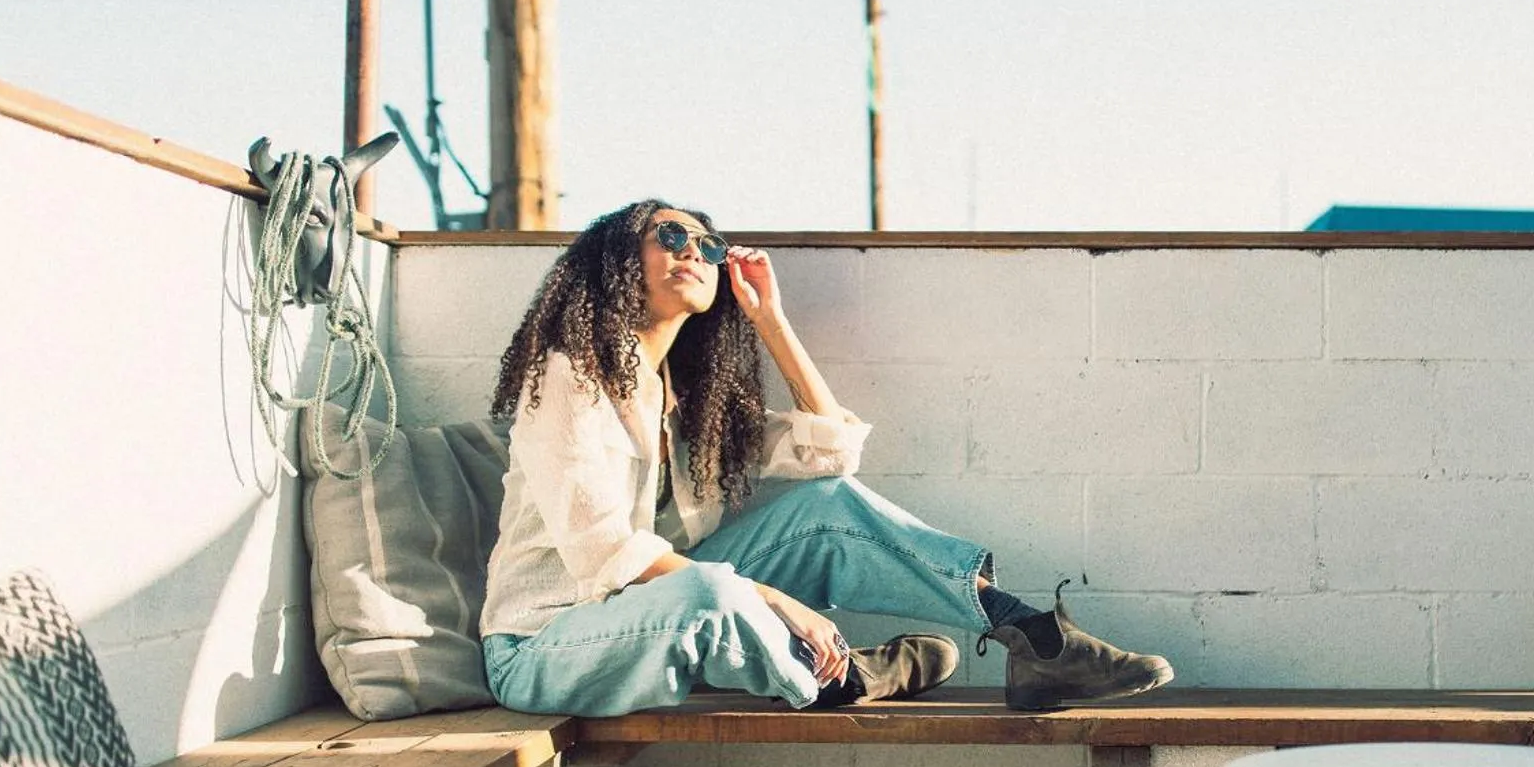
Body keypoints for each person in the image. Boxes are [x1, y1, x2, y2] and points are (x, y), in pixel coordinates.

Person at [479, 198, 1173, 717]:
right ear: (616, 261)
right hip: (545, 648)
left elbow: (832, 455)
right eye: (669, 236)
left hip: (656, 612)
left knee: (826, 510)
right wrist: (780, 602)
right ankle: (838, 678)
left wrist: (770, 320)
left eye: (707, 244)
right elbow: (605, 552)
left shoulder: (687, 403)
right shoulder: (569, 376)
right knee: (712, 592)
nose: (692, 251)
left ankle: (1036, 639)